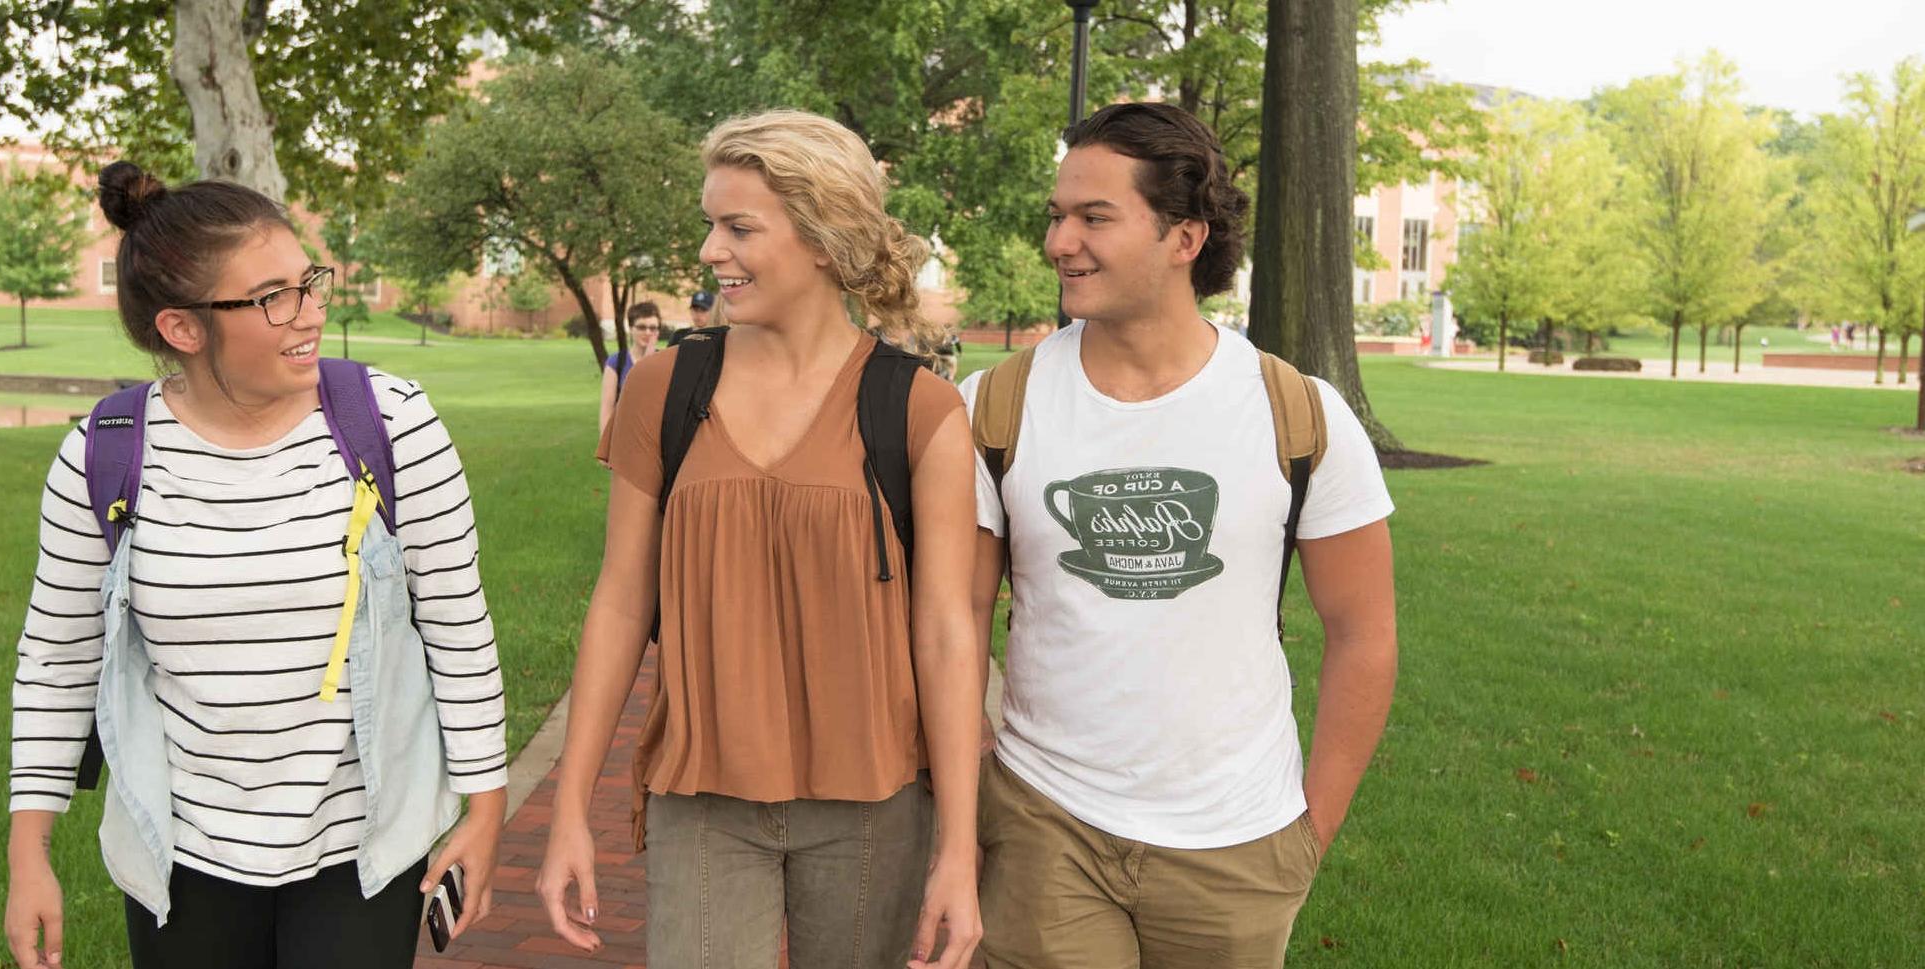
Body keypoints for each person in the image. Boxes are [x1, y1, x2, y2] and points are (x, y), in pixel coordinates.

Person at [3, 162, 509, 969]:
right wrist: (29, 853)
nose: (312, 311)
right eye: (275, 297)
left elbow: (455, 619)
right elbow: (58, 659)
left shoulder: (390, 423)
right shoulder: (104, 454)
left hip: (361, 846)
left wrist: (486, 808)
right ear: (183, 329)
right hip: (179, 851)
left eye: (308, 281)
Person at [536, 110, 984, 969]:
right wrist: (566, 808)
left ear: (822, 239)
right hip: (701, 799)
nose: (710, 250)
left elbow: (946, 634)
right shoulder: (667, 386)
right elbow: (622, 601)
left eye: (738, 227)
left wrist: (957, 852)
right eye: (711, 224)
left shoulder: (920, 411)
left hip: (873, 807)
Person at [963, 102, 1398, 969]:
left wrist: (1311, 826)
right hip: (1047, 827)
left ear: (1184, 237)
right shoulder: (991, 406)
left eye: (1094, 217)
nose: (1059, 241)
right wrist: (979, 781)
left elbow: (1363, 633)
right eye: (1056, 214)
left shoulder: (1299, 413)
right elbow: (955, 620)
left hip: (1238, 838)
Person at [600, 301, 664, 444]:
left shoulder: (665, 361)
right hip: (624, 438)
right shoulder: (617, 362)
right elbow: (607, 408)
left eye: (653, 328)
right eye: (641, 327)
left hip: (655, 441)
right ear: (631, 328)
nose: (648, 333)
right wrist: (605, 446)